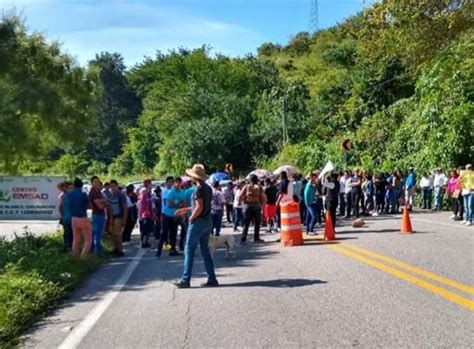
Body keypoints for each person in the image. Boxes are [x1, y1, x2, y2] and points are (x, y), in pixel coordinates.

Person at [174, 164, 218, 289]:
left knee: (189, 249)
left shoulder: (198, 189)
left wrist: (191, 217)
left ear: (194, 177)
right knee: (205, 250)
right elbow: (202, 206)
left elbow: (199, 207)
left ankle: (185, 279)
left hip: (198, 222)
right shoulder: (208, 188)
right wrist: (187, 209)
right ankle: (212, 278)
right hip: (207, 220)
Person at [157, 177, 186, 258]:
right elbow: (170, 204)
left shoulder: (181, 192)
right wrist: (179, 204)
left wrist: (180, 209)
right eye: (176, 182)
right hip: (166, 215)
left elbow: (183, 203)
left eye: (179, 183)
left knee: (173, 234)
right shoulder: (168, 191)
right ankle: (159, 250)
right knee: (164, 233)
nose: (178, 184)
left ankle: (172, 250)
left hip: (175, 215)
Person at [67, 178, 92, 259]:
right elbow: (89, 206)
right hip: (82, 218)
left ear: (74, 185)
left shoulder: (69, 194)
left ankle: (74, 256)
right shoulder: (83, 194)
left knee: (76, 239)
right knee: (88, 240)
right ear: (81, 185)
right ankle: (83, 257)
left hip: (73, 218)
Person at [240, 174, 266, 244]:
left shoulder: (246, 187)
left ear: (250, 180)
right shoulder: (260, 187)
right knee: (257, 222)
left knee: (246, 223)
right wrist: (262, 204)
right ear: (256, 180)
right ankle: (256, 238)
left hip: (247, 206)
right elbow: (263, 198)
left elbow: (240, 196)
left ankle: (243, 239)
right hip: (257, 206)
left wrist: (245, 199)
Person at [105, 180, 128, 257]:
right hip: (112, 217)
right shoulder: (110, 195)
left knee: (118, 234)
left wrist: (124, 219)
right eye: (111, 186)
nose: (112, 188)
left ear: (117, 186)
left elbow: (125, 207)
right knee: (112, 234)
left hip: (118, 217)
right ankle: (115, 248)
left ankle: (120, 250)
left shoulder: (121, 195)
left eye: (114, 186)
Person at [89, 176, 107, 254]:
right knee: (97, 234)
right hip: (97, 214)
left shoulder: (98, 192)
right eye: (95, 182)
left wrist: (103, 201)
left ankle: (96, 250)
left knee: (97, 233)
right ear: (92, 183)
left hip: (100, 214)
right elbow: (99, 206)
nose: (97, 183)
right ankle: (97, 252)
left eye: (98, 181)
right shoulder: (93, 192)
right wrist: (104, 201)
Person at [138, 179, 154, 248]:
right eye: (150, 184)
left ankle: (146, 242)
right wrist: (140, 214)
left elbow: (150, 204)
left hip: (149, 214)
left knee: (149, 229)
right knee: (144, 230)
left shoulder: (149, 193)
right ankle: (143, 242)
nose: (151, 185)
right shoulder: (144, 192)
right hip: (144, 214)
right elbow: (142, 204)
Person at [58, 181, 73, 251]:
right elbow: (61, 208)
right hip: (66, 218)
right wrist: (63, 216)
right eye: (69, 188)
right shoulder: (63, 196)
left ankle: (70, 247)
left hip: (72, 218)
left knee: (71, 233)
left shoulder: (70, 196)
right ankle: (67, 247)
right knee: (67, 233)